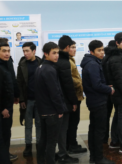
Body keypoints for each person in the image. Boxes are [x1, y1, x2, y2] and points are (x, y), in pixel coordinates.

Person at [81, 40, 115, 164]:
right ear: (91, 52)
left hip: (94, 100)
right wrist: (109, 89)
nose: (102, 53)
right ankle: (99, 158)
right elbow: (96, 85)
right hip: (98, 101)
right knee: (99, 131)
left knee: (94, 129)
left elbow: (96, 82)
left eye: (102, 50)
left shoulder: (92, 62)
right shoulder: (93, 64)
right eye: (99, 51)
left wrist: (105, 85)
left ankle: (94, 157)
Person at [35, 42, 66, 164]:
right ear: (46, 54)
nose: (57, 55)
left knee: (43, 139)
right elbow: (55, 93)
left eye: (57, 52)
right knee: (51, 142)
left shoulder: (40, 67)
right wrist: (60, 110)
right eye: (54, 53)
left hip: (43, 111)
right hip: (52, 112)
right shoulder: (50, 70)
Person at [55, 35, 79, 163]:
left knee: (59, 129)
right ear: (67, 47)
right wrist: (73, 102)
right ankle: (63, 154)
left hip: (55, 101)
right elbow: (68, 84)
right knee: (63, 129)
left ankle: (61, 152)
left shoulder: (53, 60)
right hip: (63, 101)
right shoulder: (64, 62)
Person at [17, 42, 42, 157]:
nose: (25, 53)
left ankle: (39, 145)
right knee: (27, 124)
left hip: (40, 99)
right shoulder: (22, 64)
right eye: (24, 51)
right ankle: (28, 146)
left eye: (27, 51)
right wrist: (22, 99)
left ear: (34, 51)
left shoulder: (40, 63)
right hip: (27, 100)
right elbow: (20, 83)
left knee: (39, 124)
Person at [67, 41, 87, 154]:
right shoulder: (67, 62)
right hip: (73, 96)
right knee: (72, 122)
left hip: (76, 96)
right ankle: (71, 145)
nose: (75, 49)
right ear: (67, 48)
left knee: (74, 122)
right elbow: (69, 78)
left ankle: (71, 143)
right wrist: (80, 82)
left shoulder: (71, 60)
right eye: (72, 47)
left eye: (75, 47)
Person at [102, 40, 116, 144]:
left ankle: (105, 138)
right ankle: (115, 139)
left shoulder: (103, 59)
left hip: (105, 91)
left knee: (106, 116)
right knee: (118, 115)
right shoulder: (115, 59)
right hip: (114, 90)